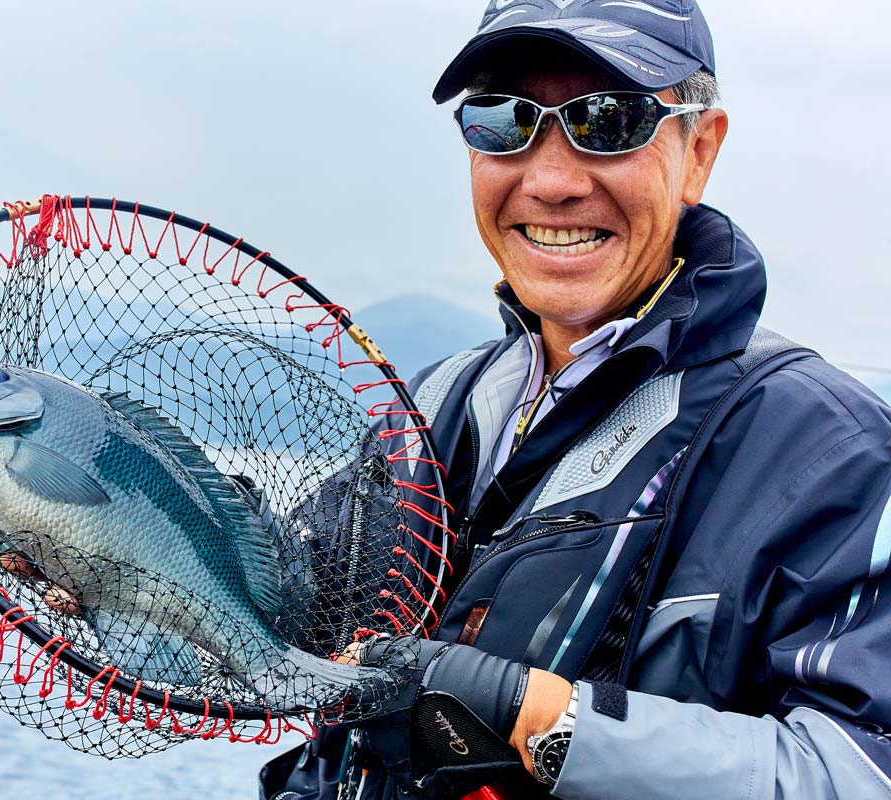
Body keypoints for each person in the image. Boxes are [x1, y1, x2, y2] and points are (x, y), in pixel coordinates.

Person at [259, 1, 891, 798]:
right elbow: (294, 601)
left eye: (609, 119)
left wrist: (537, 718)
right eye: (502, 120)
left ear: (699, 150)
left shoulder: (830, 449)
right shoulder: (430, 404)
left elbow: (862, 768)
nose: (551, 180)